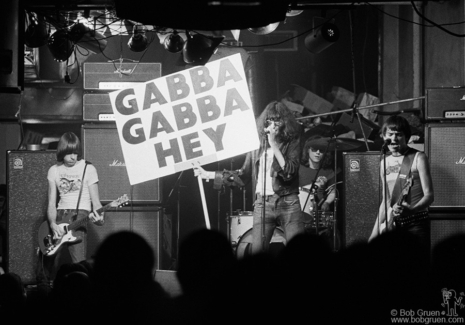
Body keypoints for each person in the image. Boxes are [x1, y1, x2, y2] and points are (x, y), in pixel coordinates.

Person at [194, 100, 303, 255]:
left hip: (288, 202)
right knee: (257, 253)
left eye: (277, 120)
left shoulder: (292, 141)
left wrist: (273, 144)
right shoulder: (257, 145)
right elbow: (243, 174)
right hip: (262, 204)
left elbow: (289, 172)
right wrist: (210, 174)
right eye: (270, 120)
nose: (273, 125)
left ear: (284, 122)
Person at [368, 115, 434, 257]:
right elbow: (385, 201)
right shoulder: (383, 162)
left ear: (407, 137)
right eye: (390, 134)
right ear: (384, 137)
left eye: (399, 135)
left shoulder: (418, 158)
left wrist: (412, 209)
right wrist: (374, 233)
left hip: (416, 224)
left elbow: (429, 195)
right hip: (394, 226)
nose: (394, 139)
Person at [45, 132, 104, 279]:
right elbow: (51, 203)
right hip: (59, 215)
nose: (73, 157)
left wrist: (100, 219)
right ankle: (45, 291)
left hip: (81, 215)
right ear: (62, 152)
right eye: (69, 153)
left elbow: (96, 202)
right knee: (48, 260)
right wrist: (52, 223)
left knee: (79, 263)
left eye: (76, 153)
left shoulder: (88, 168)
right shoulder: (54, 170)